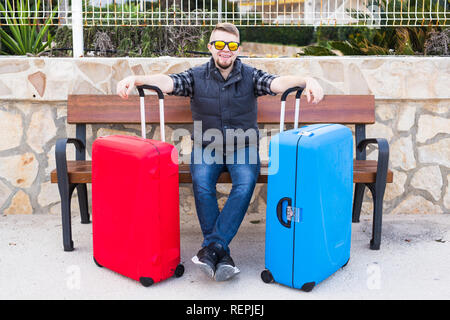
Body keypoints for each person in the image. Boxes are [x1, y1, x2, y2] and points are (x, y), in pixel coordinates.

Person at [116, 23, 324, 282]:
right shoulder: (196, 76)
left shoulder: (250, 75)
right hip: (207, 146)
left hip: (243, 145)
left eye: (232, 45)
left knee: (245, 182)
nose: (226, 50)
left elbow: (277, 83)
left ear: (238, 49)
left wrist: (307, 80)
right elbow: (168, 82)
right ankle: (220, 252)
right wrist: (138, 79)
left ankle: (212, 248)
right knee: (202, 184)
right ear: (210, 47)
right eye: (220, 45)